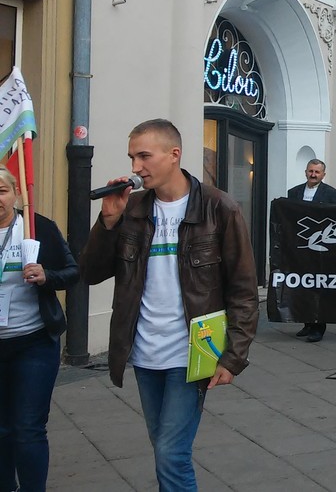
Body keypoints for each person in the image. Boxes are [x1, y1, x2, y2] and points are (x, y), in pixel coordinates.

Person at [81, 119, 258, 492]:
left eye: (144, 156)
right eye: (132, 157)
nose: (135, 167)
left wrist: (233, 357)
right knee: (164, 449)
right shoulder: (132, 209)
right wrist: (108, 221)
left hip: (192, 353)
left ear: (174, 154)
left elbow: (243, 290)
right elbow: (91, 272)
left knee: (171, 454)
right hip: (145, 353)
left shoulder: (218, 208)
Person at [0, 168, 79, 492]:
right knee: (2, 428)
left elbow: (72, 272)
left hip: (33, 342)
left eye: (1, 190)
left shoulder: (37, 228)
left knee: (28, 427)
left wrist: (48, 276)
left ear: (16, 193)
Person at [287, 159, 336, 343]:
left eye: (317, 172)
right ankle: (307, 322)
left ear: (323, 175)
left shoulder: (331, 193)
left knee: (319, 288)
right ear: (305, 172)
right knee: (303, 286)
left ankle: (319, 326)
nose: (313, 174)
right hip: (300, 248)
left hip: (321, 248)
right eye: (310, 171)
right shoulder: (293, 192)